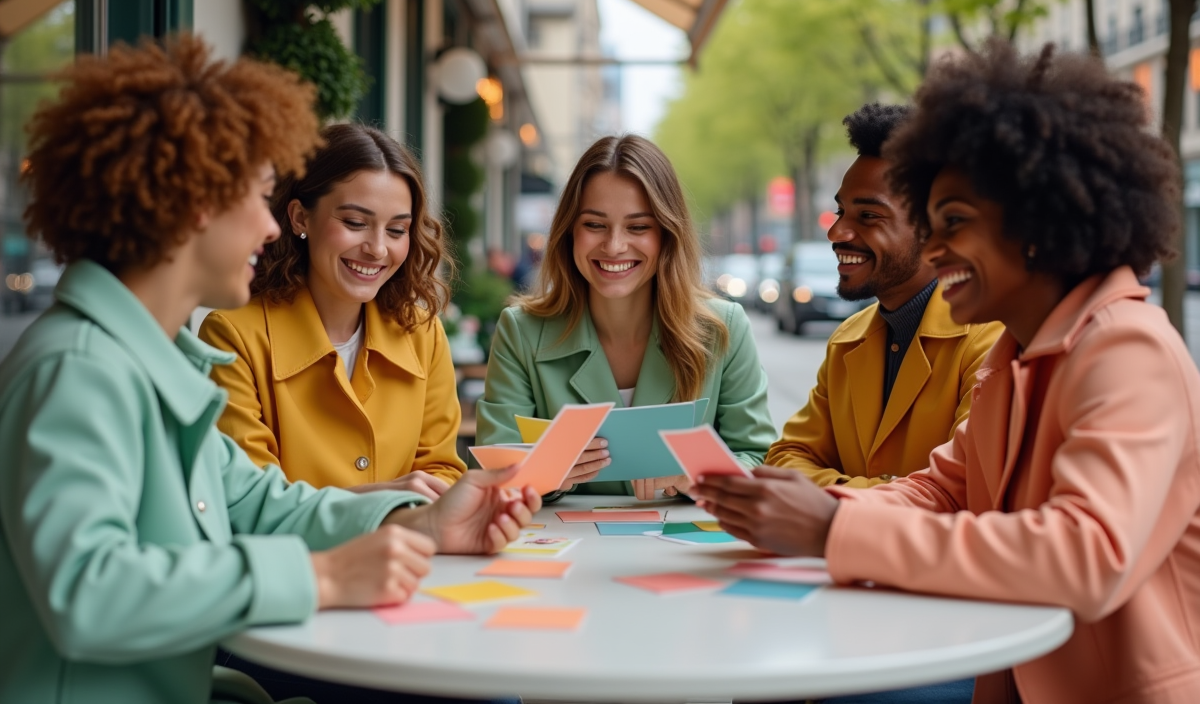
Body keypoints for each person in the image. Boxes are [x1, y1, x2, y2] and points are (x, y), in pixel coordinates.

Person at [0, 34, 539, 704]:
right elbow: (87, 593)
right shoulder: (81, 371)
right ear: (194, 202)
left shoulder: (149, 360)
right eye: (257, 199)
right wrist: (323, 579)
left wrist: (425, 521)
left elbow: (256, 500)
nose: (269, 227)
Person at [697, 41, 1200, 704]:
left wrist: (829, 528)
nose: (933, 250)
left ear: (1036, 222)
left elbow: (1087, 555)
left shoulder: (1125, 348)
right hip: (1012, 666)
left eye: (954, 223)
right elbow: (938, 491)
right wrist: (805, 510)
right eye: (930, 224)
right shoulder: (1015, 356)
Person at [477, 134, 775, 499]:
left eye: (638, 227)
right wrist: (545, 473)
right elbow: (493, 475)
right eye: (594, 225)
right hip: (565, 548)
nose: (615, 245)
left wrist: (700, 477)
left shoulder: (723, 328)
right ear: (570, 231)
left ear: (667, 234)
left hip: (683, 550)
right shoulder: (520, 332)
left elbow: (759, 460)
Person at [200, 124, 464, 499]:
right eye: (355, 223)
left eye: (396, 230)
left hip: (411, 555)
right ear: (300, 218)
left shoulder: (422, 333)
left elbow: (443, 471)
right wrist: (378, 503)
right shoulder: (231, 336)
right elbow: (248, 496)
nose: (376, 249)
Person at [766, 104, 1002, 487]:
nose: (837, 232)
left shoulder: (991, 341)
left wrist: (828, 498)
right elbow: (787, 457)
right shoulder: (847, 341)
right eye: (841, 211)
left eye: (868, 216)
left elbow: (962, 489)